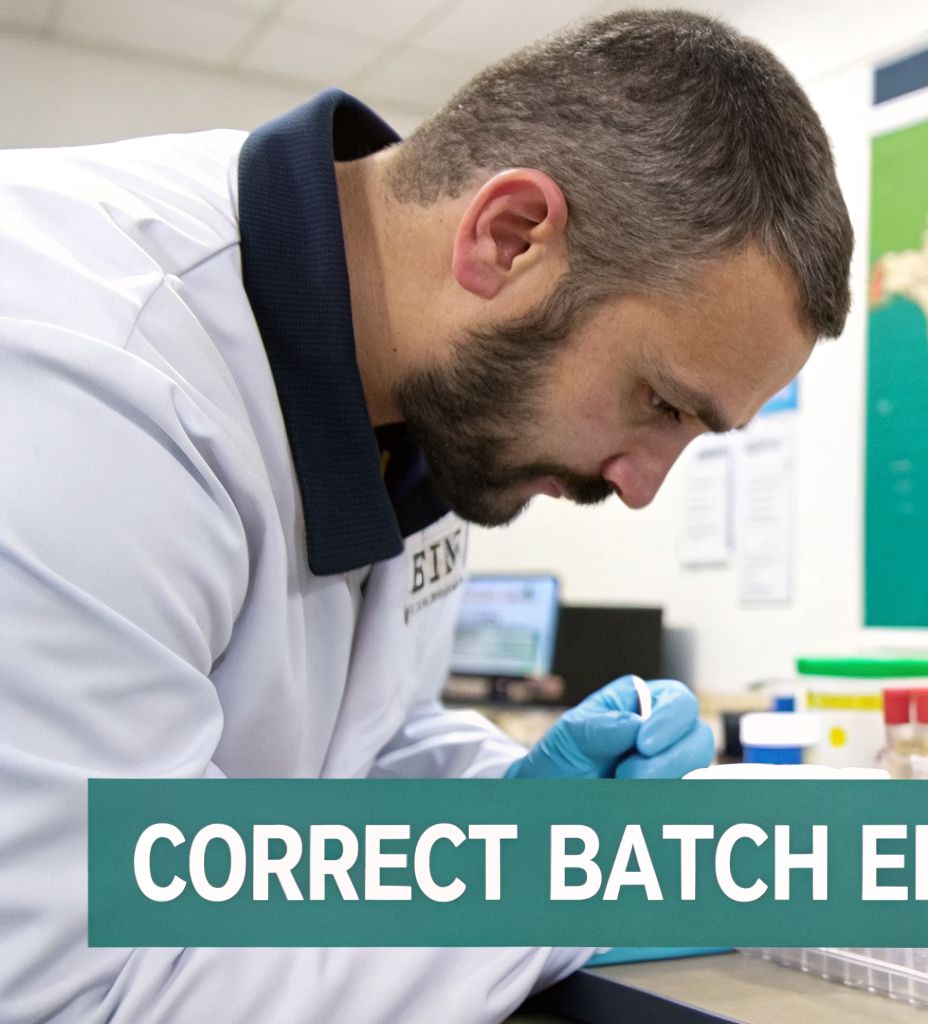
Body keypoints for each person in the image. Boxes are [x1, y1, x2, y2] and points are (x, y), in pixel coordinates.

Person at [0, 10, 852, 1022]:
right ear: (507, 237)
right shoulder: (87, 390)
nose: (641, 485)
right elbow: (82, 981)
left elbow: (342, 752)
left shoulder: (428, 406)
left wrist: (519, 805)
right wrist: (557, 877)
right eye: (659, 403)